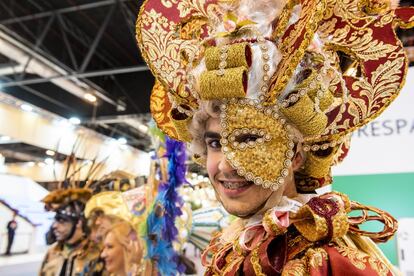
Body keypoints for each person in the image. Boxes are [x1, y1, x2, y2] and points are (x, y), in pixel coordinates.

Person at [136, 0, 414, 274]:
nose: (224, 165)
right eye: (215, 143)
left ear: (296, 155)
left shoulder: (327, 262)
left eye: (249, 140)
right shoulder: (231, 249)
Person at [39, 188, 104, 276]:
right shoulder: (52, 253)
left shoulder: (96, 254)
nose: (55, 226)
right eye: (55, 220)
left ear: (78, 223)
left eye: (62, 221)